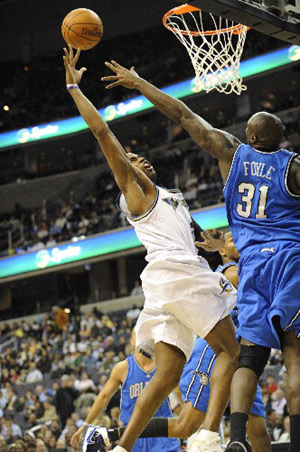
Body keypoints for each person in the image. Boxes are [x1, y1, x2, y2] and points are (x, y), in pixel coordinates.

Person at [101, 61, 300, 452]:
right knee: (288, 355)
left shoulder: (228, 154)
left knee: (247, 361)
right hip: (281, 261)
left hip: (252, 266)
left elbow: (183, 114)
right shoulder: (291, 166)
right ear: (280, 140)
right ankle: (213, 435)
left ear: (250, 135)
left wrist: (141, 82)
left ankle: (234, 437)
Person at [63, 45, 239, 452]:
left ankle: (122, 446)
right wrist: (74, 88)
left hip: (168, 284)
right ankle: (210, 434)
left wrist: (214, 247)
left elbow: (190, 234)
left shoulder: (170, 195)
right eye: (132, 161)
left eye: (140, 158)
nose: (138, 159)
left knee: (168, 375)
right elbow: (103, 133)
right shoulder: (138, 194)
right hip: (175, 273)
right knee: (230, 350)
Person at [87, 232, 271, 452]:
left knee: (258, 430)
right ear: (222, 251)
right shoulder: (229, 273)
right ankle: (115, 435)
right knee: (186, 426)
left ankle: (109, 434)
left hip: (242, 357)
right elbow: (261, 270)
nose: (241, 243)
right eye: (234, 241)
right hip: (214, 352)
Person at [70, 330, 180, 452]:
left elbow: (180, 395)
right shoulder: (123, 368)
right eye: (141, 335)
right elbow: (104, 397)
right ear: (132, 341)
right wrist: (86, 424)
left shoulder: (165, 365)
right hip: (133, 437)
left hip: (162, 434)